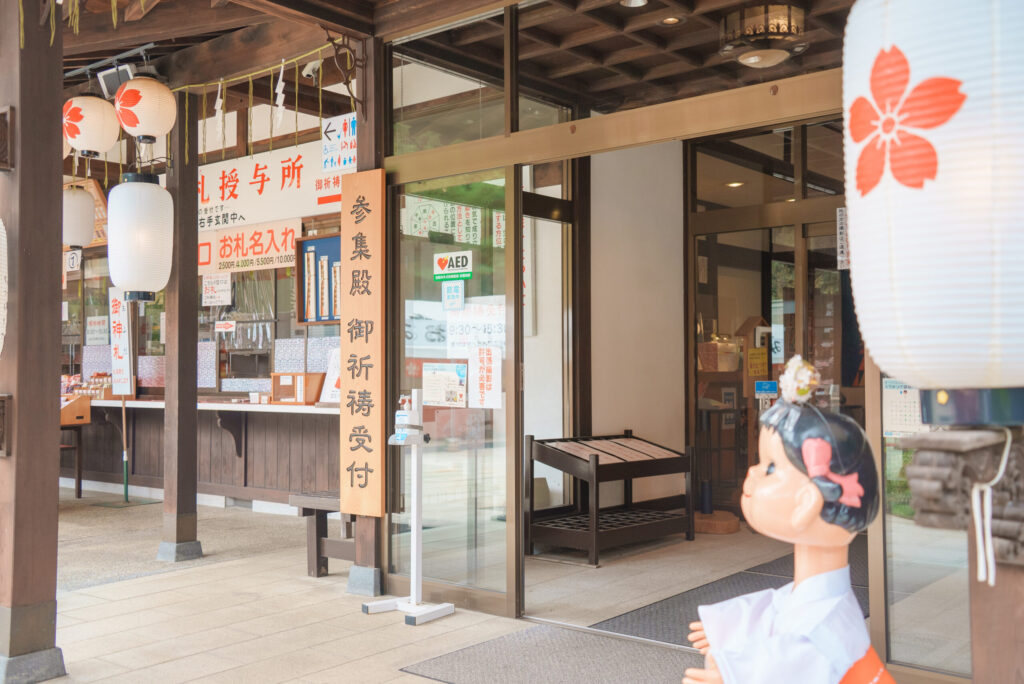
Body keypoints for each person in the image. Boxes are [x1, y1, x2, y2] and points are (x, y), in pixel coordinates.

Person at [684, 356, 893, 684]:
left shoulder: (821, 634)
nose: (752, 472)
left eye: (770, 466)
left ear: (807, 501)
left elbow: (791, 655)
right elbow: (778, 608)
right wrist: (727, 628)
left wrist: (733, 675)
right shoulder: (823, 606)